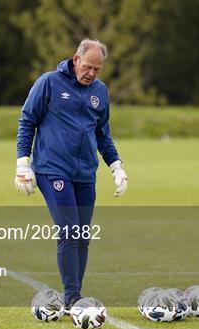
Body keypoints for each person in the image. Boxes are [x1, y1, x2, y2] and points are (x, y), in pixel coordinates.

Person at [14, 39, 127, 309]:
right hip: (52, 169)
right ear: (76, 60)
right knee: (69, 230)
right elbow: (27, 121)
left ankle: (73, 296)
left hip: (86, 174)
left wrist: (116, 166)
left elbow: (102, 134)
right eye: (88, 66)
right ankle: (73, 297)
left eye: (97, 69)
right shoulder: (49, 83)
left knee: (83, 236)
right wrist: (22, 163)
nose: (91, 73)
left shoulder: (100, 91)